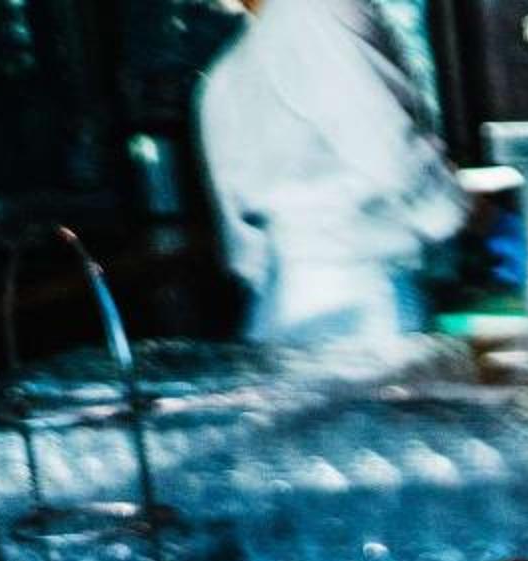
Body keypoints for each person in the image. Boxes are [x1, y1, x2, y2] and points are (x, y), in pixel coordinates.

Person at [196, 0, 466, 344]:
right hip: (366, 304)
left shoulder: (222, 79)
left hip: (275, 312)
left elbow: (243, 254)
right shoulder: (315, 11)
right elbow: (388, 148)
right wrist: (461, 213)